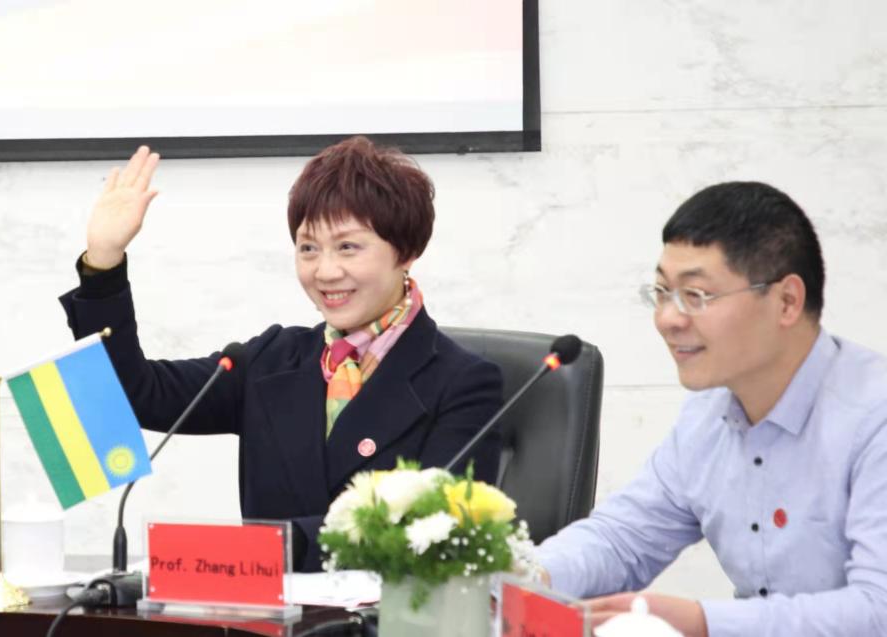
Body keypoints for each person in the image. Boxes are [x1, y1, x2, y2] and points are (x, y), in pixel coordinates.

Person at [60, 137, 503, 572]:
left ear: (407, 251)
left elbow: (432, 527)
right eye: (308, 248)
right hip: (265, 611)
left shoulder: (464, 383)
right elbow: (135, 393)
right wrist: (104, 262)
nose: (325, 271)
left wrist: (250, 552)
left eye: (348, 247)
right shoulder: (270, 361)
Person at [534, 182, 887, 635]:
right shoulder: (706, 415)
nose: (668, 318)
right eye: (662, 291)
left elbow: (878, 609)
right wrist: (528, 577)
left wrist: (704, 623)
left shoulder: (873, 416)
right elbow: (622, 538)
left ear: (786, 301)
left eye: (696, 295)